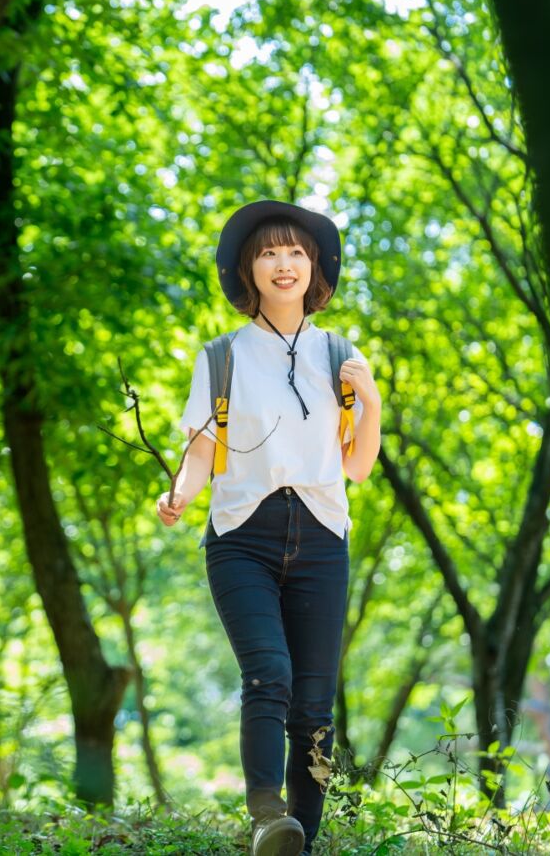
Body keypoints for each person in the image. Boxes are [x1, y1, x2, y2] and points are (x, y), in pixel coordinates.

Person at [156, 199, 382, 855]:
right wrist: (177, 494)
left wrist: (370, 402)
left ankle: (298, 844)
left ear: (315, 269)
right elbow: (201, 450)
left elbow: (359, 468)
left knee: (314, 705)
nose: (283, 264)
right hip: (240, 538)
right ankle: (266, 818)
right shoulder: (221, 357)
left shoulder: (341, 354)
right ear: (247, 270)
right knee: (269, 676)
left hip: (321, 538)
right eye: (268, 253)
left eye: (296, 253)